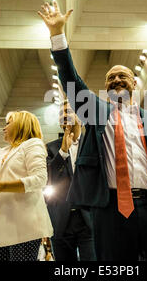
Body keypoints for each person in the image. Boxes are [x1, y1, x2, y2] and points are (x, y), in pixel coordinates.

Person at [38, 1, 147, 261]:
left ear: (134, 83)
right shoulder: (96, 112)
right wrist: (57, 34)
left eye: (122, 76)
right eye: (110, 78)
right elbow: (70, 80)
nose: (116, 80)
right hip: (110, 210)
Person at [0, 111, 53, 261]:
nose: (3, 128)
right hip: (1, 227)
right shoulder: (3, 151)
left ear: (21, 125)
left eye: (8, 123)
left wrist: (1, 186)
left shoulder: (32, 144)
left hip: (24, 225)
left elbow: (40, 179)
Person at [46, 100, 96, 261]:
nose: (64, 115)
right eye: (61, 113)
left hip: (89, 218)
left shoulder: (94, 144)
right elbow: (49, 178)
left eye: (68, 111)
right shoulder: (51, 148)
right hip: (60, 219)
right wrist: (63, 152)